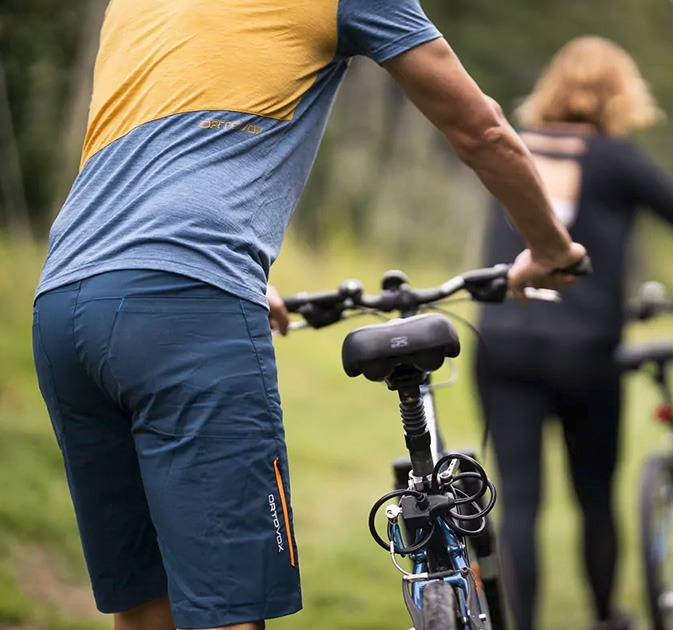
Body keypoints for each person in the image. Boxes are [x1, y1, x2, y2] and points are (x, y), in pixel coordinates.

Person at [31, 2, 587, 629]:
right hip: (183, 307)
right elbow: (479, 130)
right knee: (226, 614)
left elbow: (156, 152)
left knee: (145, 611)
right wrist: (548, 248)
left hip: (66, 298)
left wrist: (227, 274)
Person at [475, 36, 673, 630]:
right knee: (594, 498)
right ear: (622, 94)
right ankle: (605, 618)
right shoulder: (615, 158)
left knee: (520, 504)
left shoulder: (515, 148)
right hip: (584, 351)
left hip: (503, 341)